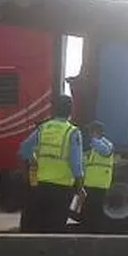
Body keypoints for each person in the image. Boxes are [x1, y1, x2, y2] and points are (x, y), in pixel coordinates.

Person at [18, 95, 85, 233]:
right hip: (61, 190)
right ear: (70, 111)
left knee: (35, 228)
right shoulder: (72, 132)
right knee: (54, 230)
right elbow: (76, 165)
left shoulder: (42, 129)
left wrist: (33, 159)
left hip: (39, 187)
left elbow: (23, 148)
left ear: (54, 110)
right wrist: (80, 187)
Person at [78, 121, 115, 233]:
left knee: (95, 210)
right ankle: (90, 231)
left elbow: (105, 151)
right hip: (91, 183)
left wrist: (93, 140)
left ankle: (97, 232)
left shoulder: (106, 144)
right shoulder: (94, 147)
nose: (89, 133)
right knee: (89, 210)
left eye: (91, 131)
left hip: (99, 183)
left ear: (96, 131)